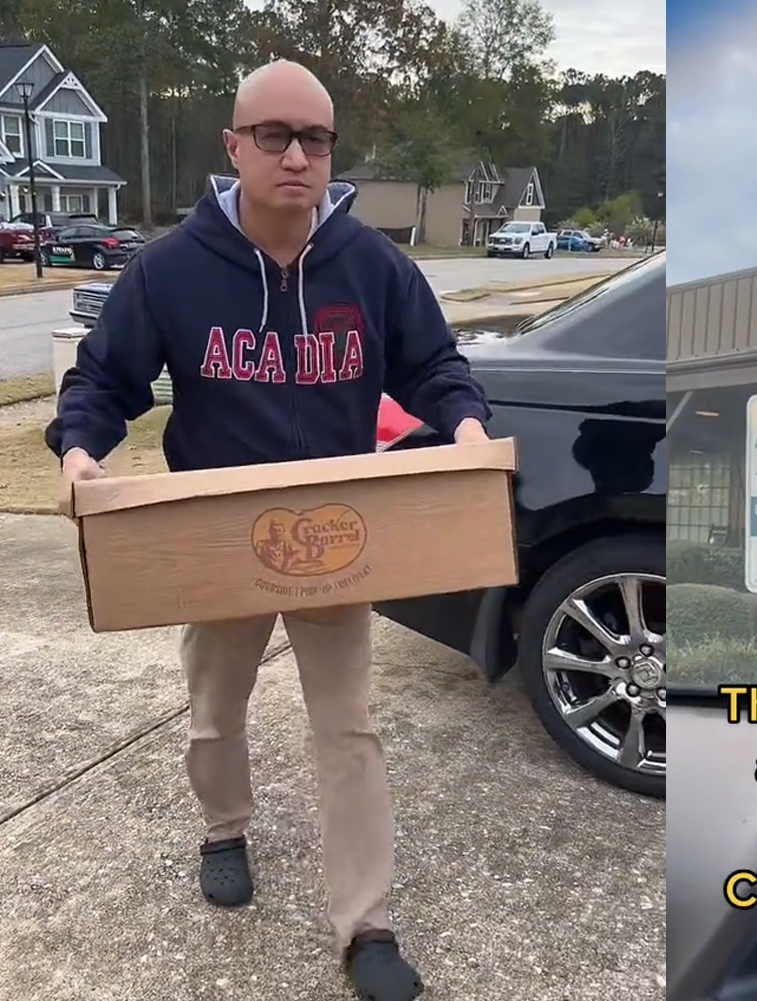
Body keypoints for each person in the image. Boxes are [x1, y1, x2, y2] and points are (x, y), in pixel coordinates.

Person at [46, 59, 489, 1001]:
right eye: (276, 135)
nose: (296, 155)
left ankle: (366, 924)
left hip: (338, 530)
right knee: (215, 708)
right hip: (214, 535)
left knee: (350, 728)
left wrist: (465, 423)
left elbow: (436, 367)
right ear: (234, 145)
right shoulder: (170, 269)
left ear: (333, 153)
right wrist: (80, 450)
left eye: (316, 139)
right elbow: (102, 379)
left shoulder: (372, 266)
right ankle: (224, 828)